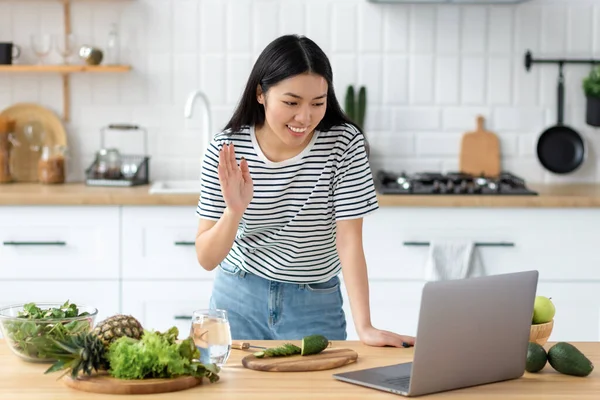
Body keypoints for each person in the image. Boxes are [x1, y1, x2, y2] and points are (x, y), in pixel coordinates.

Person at [195, 34, 415, 348]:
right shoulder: (227, 149)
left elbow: (349, 240)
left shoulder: (344, 144)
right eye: (291, 102)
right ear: (261, 94)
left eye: (317, 103)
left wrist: (364, 326)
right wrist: (234, 210)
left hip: (314, 303)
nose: (305, 117)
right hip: (237, 299)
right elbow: (206, 257)